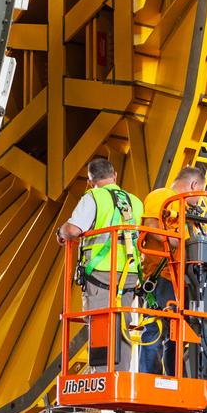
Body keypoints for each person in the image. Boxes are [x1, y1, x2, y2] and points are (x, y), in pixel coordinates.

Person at [56, 157, 143, 371]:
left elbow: (73, 230)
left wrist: (61, 231)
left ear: (90, 180)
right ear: (114, 176)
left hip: (102, 272)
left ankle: (102, 377)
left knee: (101, 323)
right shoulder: (135, 201)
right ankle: (120, 375)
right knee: (122, 322)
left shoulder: (93, 197)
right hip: (130, 273)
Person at [140, 166, 207, 374]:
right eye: (200, 195)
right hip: (162, 276)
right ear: (194, 185)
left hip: (181, 280)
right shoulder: (163, 196)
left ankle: (176, 379)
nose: (198, 201)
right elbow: (152, 226)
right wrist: (183, 243)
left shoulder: (187, 214)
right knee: (156, 329)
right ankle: (149, 379)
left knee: (176, 335)